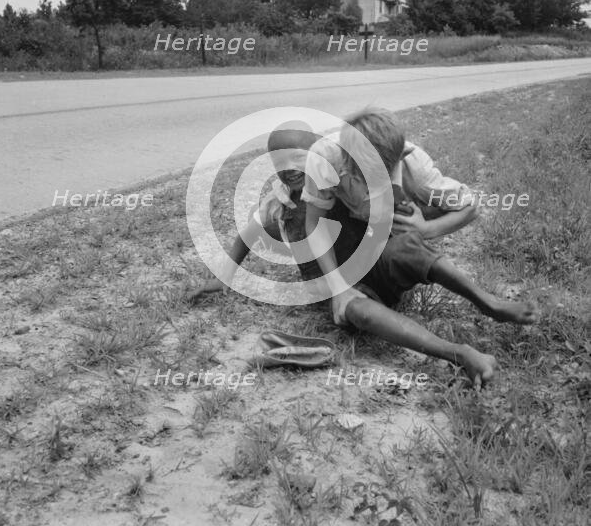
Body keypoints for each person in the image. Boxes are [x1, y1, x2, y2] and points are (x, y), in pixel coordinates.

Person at [187, 116, 537, 388]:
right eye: (279, 161)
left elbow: (432, 205)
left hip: (376, 262)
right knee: (359, 313)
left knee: (407, 246)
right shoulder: (279, 201)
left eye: (298, 157)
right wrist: (223, 278)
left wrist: (419, 219)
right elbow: (248, 234)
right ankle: (457, 353)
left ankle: (490, 303)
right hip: (338, 285)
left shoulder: (346, 172)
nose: (289, 168)